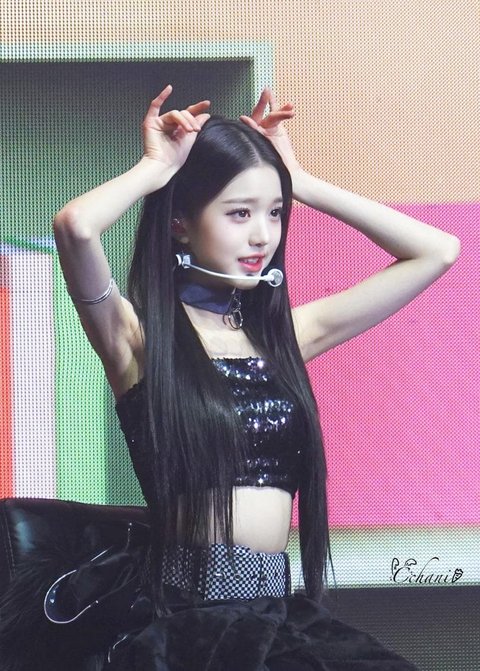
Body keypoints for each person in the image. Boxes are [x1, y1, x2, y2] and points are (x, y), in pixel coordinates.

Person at [49, 84, 459, 670]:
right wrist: (155, 169)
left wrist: (301, 182)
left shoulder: (286, 337)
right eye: (239, 213)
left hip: (276, 618)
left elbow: (437, 251)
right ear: (181, 224)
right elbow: (76, 227)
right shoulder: (136, 341)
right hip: (184, 623)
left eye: (274, 213)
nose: (263, 235)